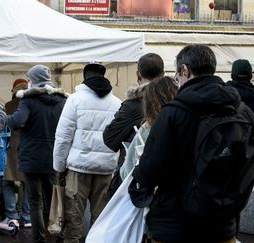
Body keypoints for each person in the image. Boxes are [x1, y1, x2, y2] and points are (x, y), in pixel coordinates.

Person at [130, 44, 245, 242]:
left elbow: (151, 167)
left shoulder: (173, 113)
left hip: (175, 225)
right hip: (222, 225)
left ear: (185, 70)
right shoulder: (241, 111)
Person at [53, 62, 121, 243]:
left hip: (78, 169)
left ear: (85, 77)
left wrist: (58, 166)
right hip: (105, 169)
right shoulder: (117, 103)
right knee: (100, 220)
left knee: (73, 220)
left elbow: (63, 136)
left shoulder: (75, 100)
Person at [7, 64, 67, 243]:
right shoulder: (63, 100)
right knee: (52, 200)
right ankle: (55, 236)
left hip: (31, 158)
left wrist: (4, 118)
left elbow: (17, 121)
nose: (28, 82)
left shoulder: (28, 99)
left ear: (34, 80)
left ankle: (39, 239)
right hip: (54, 157)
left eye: (30, 78)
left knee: (35, 203)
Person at [102, 53, 164, 199]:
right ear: (163, 74)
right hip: (166, 181)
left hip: (132, 179)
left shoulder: (132, 105)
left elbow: (110, 139)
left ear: (138, 74)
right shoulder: (175, 101)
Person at [119, 76, 178, 181]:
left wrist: (127, 157)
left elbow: (126, 173)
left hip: (154, 192)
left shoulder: (148, 128)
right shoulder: (187, 123)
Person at [0, 78, 31, 229]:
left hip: (11, 148)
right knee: (27, 182)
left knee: (7, 181)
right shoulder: (33, 104)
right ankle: (27, 216)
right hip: (28, 149)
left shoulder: (8, 106)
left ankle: (12, 216)